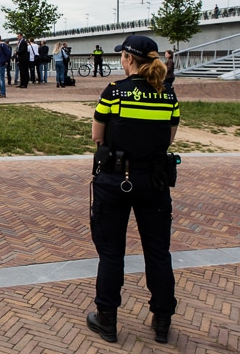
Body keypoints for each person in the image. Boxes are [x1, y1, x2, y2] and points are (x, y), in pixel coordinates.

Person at [86, 35, 180, 345]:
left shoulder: (114, 92)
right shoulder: (168, 94)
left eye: (122, 56)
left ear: (128, 59)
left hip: (115, 179)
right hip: (153, 180)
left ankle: (107, 319)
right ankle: (162, 320)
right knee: (158, 251)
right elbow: (168, 138)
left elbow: (97, 136)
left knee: (111, 252)